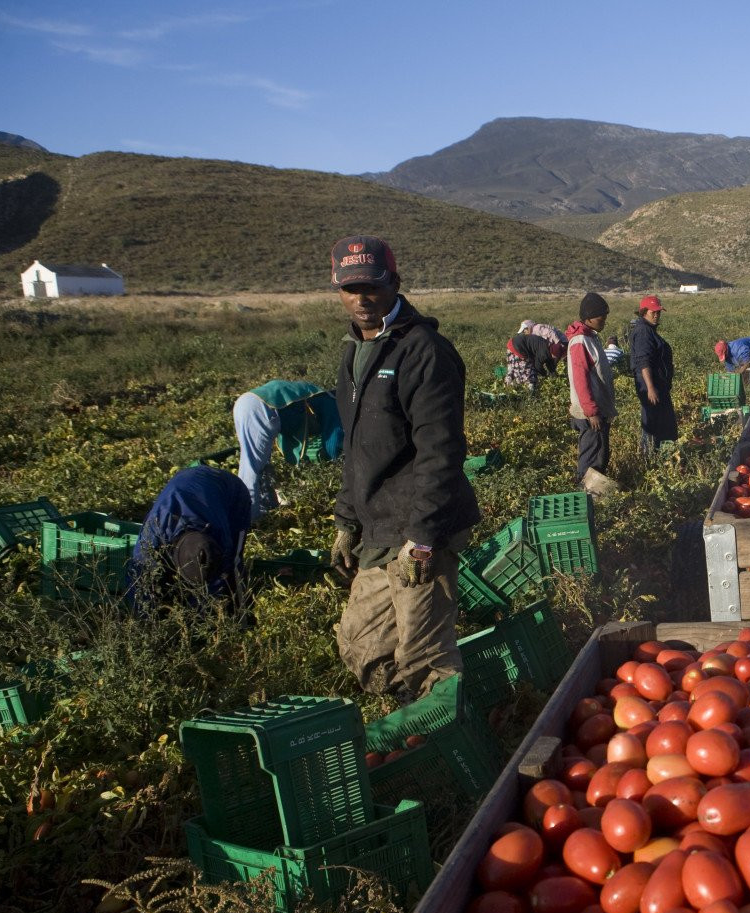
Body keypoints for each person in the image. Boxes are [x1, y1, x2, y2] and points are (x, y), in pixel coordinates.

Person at [327, 235, 481, 701]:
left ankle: (455, 752)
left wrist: (424, 536)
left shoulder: (423, 352)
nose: (362, 299)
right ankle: (409, 730)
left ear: (394, 283)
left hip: (419, 529)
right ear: (338, 290)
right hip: (379, 527)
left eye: (372, 287)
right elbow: (358, 450)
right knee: (363, 644)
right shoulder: (355, 353)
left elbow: (441, 451)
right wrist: (345, 521)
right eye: (351, 289)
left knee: (423, 657)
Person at [128, 465, 252, 614]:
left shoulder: (221, 537)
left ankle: (242, 614)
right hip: (186, 480)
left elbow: (220, 576)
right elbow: (138, 575)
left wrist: (202, 614)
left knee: (234, 566)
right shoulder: (156, 528)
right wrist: (144, 615)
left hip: (234, 493)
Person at [233, 380, 343, 521]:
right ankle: (247, 520)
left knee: (261, 464)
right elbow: (332, 444)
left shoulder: (317, 393)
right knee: (251, 466)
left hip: (246, 402)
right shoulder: (332, 403)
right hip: (260, 407)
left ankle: (267, 510)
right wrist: (335, 467)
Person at [567, 292, 617, 495]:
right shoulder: (580, 341)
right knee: (591, 456)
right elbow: (580, 379)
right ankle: (585, 497)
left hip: (597, 409)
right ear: (588, 316)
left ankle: (595, 496)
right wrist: (591, 411)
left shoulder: (590, 337)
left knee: (601, 453)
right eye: (600, 317)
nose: (604, 320)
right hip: (590, 413)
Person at [629, 295, 677, 460]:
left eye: (658, 312)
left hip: (658, 387)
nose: (656, 315)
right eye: (653, 312)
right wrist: (650, 388)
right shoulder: (643, 332)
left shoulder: (648, 330)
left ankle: (659, 459)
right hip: (652, 387)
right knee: (653, 424)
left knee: (660, 424)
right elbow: (644, 362)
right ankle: (649, 460)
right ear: (643, 312)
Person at [504, 319, 565, 393]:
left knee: (512, 368)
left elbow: (549, 363)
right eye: (555, 357)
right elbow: (537, 365)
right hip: (518, 347)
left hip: (511, 344)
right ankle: (529, 393)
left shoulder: (546, 346)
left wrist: (553, 372)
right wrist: (545, 375)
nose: (555, 359)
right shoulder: (544, 352)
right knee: (529, 370)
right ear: (552, 354)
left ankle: (507, 385)